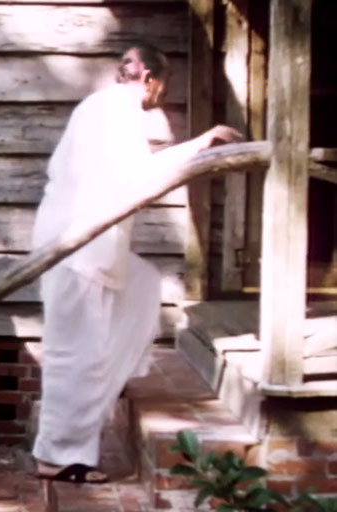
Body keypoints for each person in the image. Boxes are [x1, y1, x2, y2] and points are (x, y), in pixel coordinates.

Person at [32, 43, 241, 483]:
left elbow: (127, 174)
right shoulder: (118, 111)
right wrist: (203, 146)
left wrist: (201, 145)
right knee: (77, 354)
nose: (162, 94)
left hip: (82, 243)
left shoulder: (103, 107)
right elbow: (139, 179)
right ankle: (59, 456)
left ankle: (110, 383)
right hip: (75, 247)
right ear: (148, 75)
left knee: (142, 286)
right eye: (163, 84)